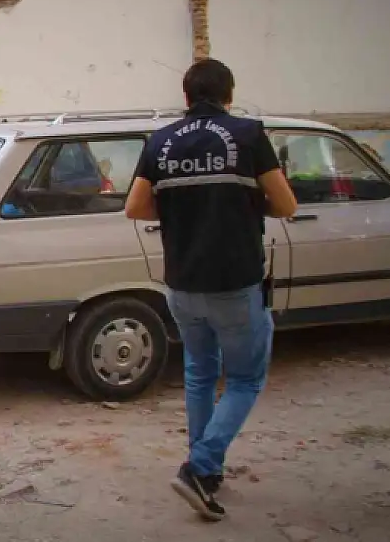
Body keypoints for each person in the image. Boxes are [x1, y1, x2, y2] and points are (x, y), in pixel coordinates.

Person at [124, 59, 298, 521]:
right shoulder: (247, 135)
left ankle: (207, 469)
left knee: (200, 373)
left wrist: (186, 207)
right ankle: (200, 468)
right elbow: (286, 204)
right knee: (244, 378)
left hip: (182, 283)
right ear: (229, 95)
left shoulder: (160, 142)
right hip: (235, 283)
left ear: (186, 97)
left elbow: (135, 208)